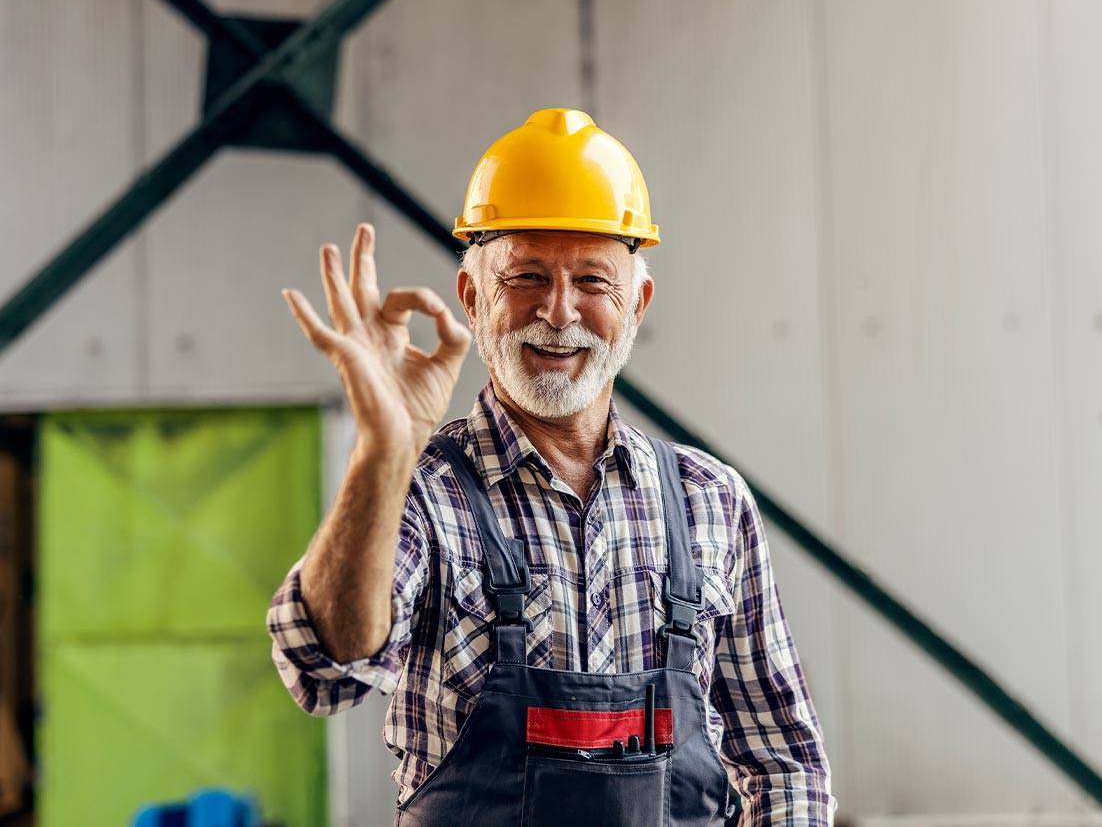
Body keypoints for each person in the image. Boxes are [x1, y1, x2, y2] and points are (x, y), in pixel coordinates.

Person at [269, 109, 835, 826]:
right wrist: (382, 451)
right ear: (473, 299)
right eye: (528, 276)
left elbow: (785, 764)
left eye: (594, 281)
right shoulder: (421, 493)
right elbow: (323, 670)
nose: (560, 312)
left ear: (637, 304)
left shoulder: (709, 501)